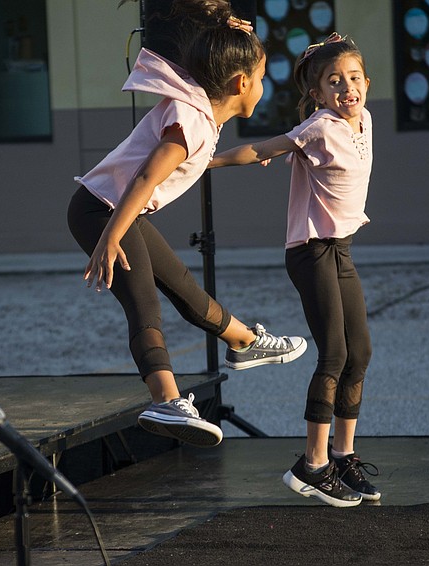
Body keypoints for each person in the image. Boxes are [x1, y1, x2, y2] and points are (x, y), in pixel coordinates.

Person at [67, 0, 307, 450]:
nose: (262, 86)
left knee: (183, 288)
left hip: (117, 210)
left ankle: (244, 342)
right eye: (260, 78)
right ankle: (166, 399)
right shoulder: (192, 121)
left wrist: (226, 27)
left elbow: (190, 163)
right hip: (103, 211)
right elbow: (146, 176)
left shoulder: (199, 109)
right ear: (240, 83)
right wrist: (111, 237)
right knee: (144, 305)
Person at [209, 33, 380, 506]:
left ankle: (343, 457)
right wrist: (206, 161)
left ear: (367, 82)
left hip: (339, 249)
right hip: (311, 251)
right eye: (333, 81)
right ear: (318, 94)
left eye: (352, 77)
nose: (346, 87)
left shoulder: (363, 119)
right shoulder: (319, 127)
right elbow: (258, 150)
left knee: (359, 352)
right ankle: (311, 465)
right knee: (334, 354)